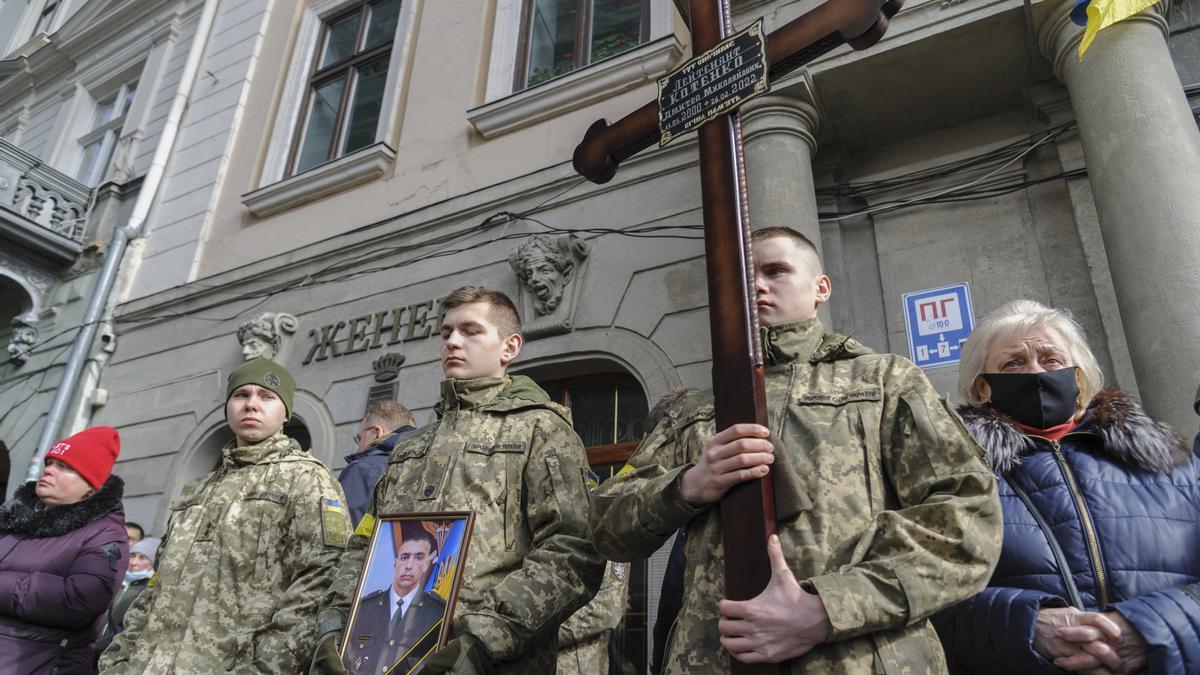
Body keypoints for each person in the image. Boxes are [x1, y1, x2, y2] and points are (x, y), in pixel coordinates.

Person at [589, 226, 1003, 673]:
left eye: (776, 270)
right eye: (742, 279)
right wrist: (689, 485)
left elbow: (966, 518)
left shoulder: (883, 382)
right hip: (713, 659)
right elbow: (605, 523)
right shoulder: (691, 409)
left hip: (860, 658)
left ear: (820, 288)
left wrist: (827, 608)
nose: (757, 287)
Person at [313, 286, 604, 674]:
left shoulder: (539, 429)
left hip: (489, 663)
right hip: (381, 658)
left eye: (470, 331)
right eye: (446, 332)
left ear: (509, 347)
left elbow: (573, 549)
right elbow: (364, 544)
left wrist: (483, 639)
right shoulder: (410, 447)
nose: (452, 341)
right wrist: (335, 627)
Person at [932, 300, 1200, 675]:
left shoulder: (1170, 466)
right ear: (982, 389)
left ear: (1079, 378)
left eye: (1051, 359)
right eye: (1013, 363)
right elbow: (924, 598)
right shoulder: (947, 480)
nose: (1036, 372)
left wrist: (1152, 627)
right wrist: (1025, 626)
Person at [100, 357, 351, 673]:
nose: (251, 405)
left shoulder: (306, 480)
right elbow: (158, 585)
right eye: (241, 395)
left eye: (266, 396)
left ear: (285, 412)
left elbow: (321, 581)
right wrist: (118, 658)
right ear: (228, 406)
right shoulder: (197, 490)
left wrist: (267, 667)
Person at [0, 426, 128, 673]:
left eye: (65, 467)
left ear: (91, 486)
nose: (48, 470)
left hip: (37, 662)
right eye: (50, 462)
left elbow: (82, 599)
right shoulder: (14, 519)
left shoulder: (105, 533)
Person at [346, 529, 447, 674]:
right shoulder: (364, 608)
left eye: (418, 558)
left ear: (426, 564)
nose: (408, 566)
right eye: (404, 557)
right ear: (395, 563)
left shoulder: (437, 613)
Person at [340, 401, 418, 525]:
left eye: (359, 438)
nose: (358, 446)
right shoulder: (422, 465)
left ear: (377, 432)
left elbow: (344, 526)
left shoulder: (363, 469)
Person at [97, 537, 160, 655]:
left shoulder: (148, 590)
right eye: (132, 555)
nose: (134, 562)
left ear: (153, 562)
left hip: (114, 651)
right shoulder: (114, 580)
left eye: (142, 558)